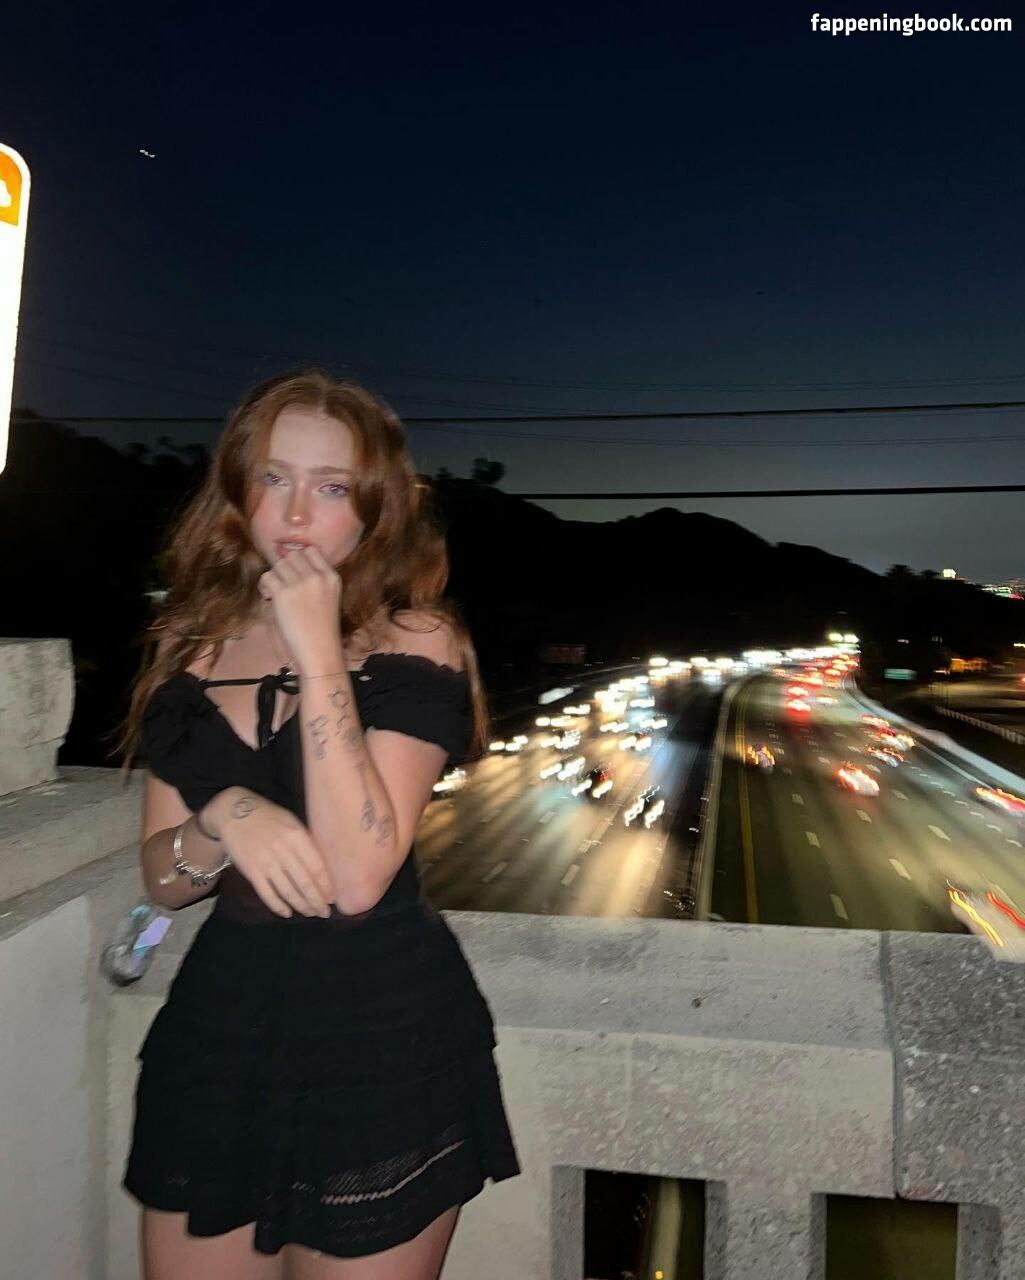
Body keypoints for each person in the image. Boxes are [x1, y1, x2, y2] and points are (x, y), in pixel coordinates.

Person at [116, 370, 521, 1279]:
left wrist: (315, 645)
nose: (296, 511)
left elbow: (355, 876)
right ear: (237, 490)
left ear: (374, 511)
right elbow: (164, 882)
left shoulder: (416, 639)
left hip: (380, 1037)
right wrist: (228, 815)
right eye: (274, 477)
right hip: (218, 1034)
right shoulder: (190, 642)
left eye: (331, 487)